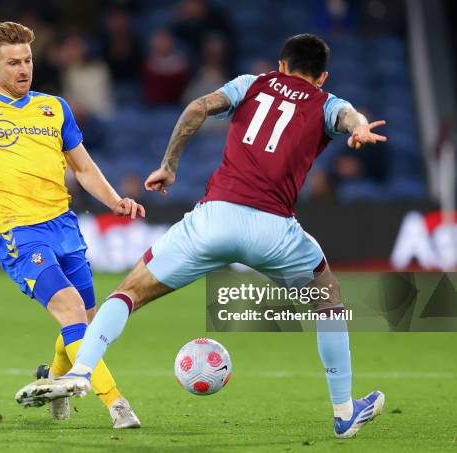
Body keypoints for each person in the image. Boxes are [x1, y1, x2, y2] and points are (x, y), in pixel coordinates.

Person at [24, 34, 388, 439]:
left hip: (214, 219)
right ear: (322, 76)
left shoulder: (252, 83)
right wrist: (357, 130)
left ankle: (81, 371)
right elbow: (349, 117)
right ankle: (343, 411)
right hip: (275, 231)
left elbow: (198, 107)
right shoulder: (326, 102)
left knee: (128, 294)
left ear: (281, 65)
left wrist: (169, 165)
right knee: (328, 298)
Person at [0, 21, 145, 429]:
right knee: (71, 310)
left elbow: (84, 168)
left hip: (65, 227)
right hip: (18, 233)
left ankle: (52, 380)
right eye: (14, 62)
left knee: (85, 328)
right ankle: (117, 405)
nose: (24, 69)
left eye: (28, 61)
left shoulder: (54, 107)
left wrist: (116, 200)